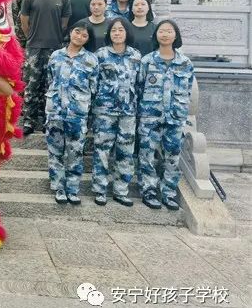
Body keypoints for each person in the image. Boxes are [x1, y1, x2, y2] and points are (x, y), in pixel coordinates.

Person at [138, 20, 194, 211]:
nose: (165, 34)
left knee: (172, 157)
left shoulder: (185, 63)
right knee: (147, 155)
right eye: (161, 31)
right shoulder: (147, 61)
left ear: (175, 35)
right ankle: (149, 191)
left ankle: (169, 193)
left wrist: (180, 111)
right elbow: (139, 87)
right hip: (150, 117)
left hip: (175, 118)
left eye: (169, 31)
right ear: (156, 35)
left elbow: (188, 91)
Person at [45, 21, 98, 205]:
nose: (79, 37)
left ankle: (73, 189)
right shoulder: (56, 56)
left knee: (75, 152)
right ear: (70, 32)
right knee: (55, 151)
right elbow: (50, 80)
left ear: (88, 39)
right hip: (56, 112)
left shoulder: (91, 59)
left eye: (84, 35)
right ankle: (59, 187)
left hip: (78, 113)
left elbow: (94, 88)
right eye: (77, 32)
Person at [92, 18, 142, 207]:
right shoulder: (100, 55)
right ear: (109, 34)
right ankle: (100, 190)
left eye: (121, 30)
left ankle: (121, 191)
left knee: (125, 152)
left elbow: (140, 83)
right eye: (114, 30)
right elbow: (94, 83)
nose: (117, 33)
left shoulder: (136, 56)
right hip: (104, 112)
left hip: (128, 112)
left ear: (127, 32)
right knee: (102, 151)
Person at [19, 0, 71, 135]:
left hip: (54, 49)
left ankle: (47, 120)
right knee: (31, 85)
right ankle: (29, 120)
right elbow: (24, 22)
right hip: (34, 47)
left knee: (51, 86)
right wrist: (32, 38)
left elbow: (64, 24)